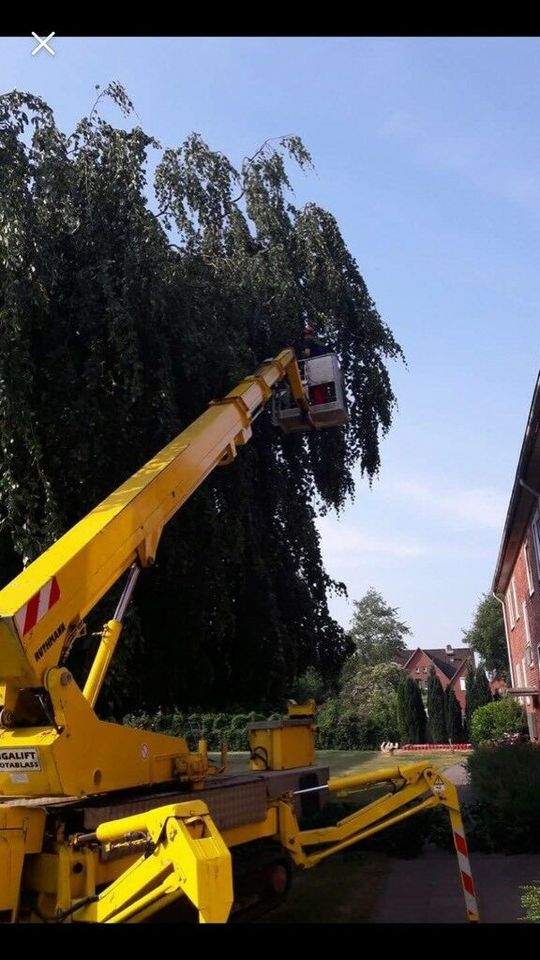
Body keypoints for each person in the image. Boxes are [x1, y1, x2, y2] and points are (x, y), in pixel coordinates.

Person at [299, 325, 329, 405]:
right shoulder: (319, 343)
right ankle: (322, 403)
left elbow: (307, 353)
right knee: (322, 388)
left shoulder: (308, 339)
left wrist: (303, 355)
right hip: (325, 366)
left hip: (316, 365)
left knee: (316, 387)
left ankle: (319, 405)